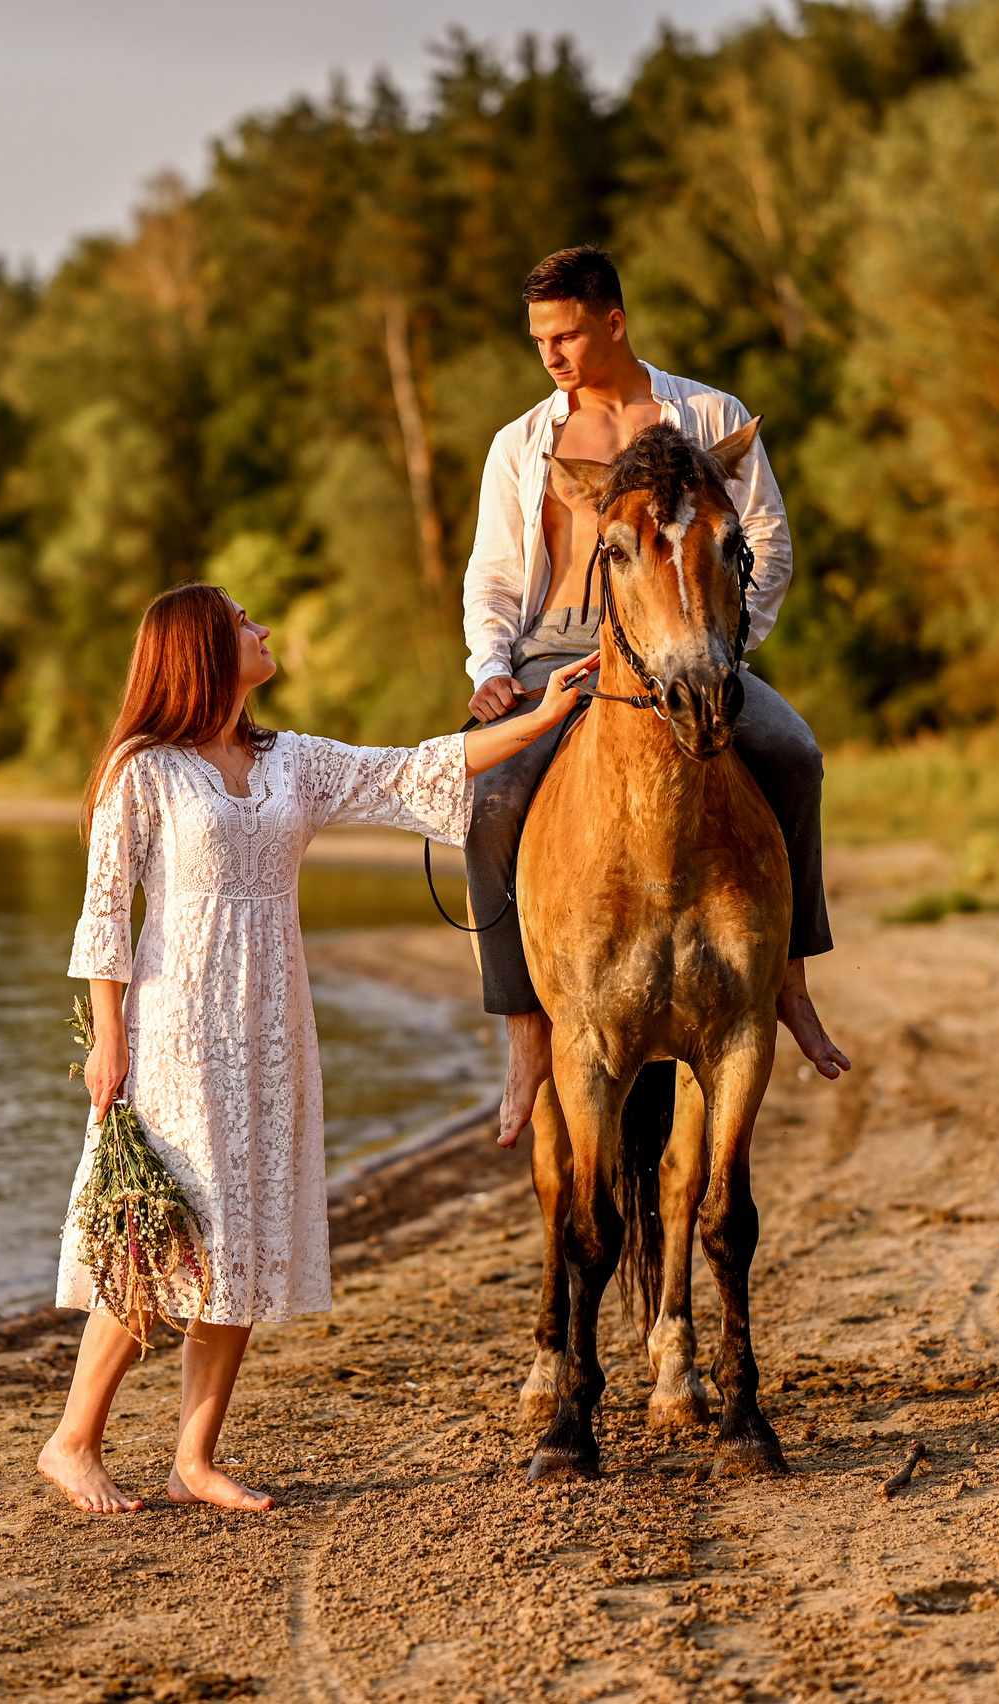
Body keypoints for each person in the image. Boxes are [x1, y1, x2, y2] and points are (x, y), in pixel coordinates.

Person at [38, 582, 599, 1514]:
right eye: (243, 624)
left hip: (272, 1024)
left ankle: (194, 1459)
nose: (260, 632)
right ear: (204, 653)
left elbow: (421, 768)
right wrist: (108, 1043)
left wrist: (549, 713)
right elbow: (103, 914)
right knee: (156, 1231)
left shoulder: (291, 760)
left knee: (244, 1229)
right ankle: (73, 1439)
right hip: (174, 1026)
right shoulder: (144, 769)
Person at [461, 246, 852, 1148]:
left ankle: (789, 980)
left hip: (694, 646)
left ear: (614, 322)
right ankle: (526, 1034)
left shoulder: (708, 416)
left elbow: (768, 544)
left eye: (565, 334)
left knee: (794, 756)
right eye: (539, 340)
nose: (551, 354)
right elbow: (491, 576)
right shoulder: (523, 444)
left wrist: (720, 649)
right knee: (488, 802)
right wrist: (491, 668)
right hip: (556, 653)